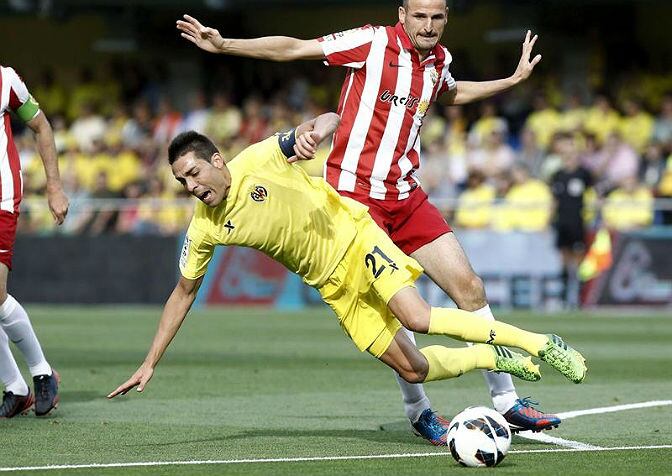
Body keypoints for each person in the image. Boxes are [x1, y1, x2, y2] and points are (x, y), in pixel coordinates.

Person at [175, 0, 558, 441]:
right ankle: (419, 411)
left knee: (469, 288)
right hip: (356, 203)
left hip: (406, 194)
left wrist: (510, 80)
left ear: (446, 19)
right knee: (399, 311)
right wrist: (225, 45)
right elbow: (294, 48)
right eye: (420, 16)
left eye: (437, 17)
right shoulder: (372, 41)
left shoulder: (439, 60)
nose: (428, 26)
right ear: (403, 15)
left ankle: (508, 402)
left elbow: (449, 92)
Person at [107, 115, 587, 413]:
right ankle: (491, 355)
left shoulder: (260, 158)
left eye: (193, 173)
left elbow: (327, 118)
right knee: (414, 368)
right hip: (331, 284)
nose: (190, 186)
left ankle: (542, 343)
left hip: (357, 239)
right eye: (181, 181)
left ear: (216, 159)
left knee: (417, 317)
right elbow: (183, 294)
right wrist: (150, 363)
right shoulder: (203, 228)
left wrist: (317, 133)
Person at [0, 65, 68, 418]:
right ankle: (17, 387)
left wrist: (54, 185)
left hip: (0, 200)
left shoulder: (4, 80)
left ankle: (43, 373)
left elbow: (41, 126)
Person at [549, 134, 594, 308]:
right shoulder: (558, 175)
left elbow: (594, 194)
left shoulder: (584, 173)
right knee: (564, 261)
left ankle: (581, 298)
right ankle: (564, 298)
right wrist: (548, 219)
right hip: (562, 223)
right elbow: (554, 200)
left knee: (579, 262)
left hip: (578, 222)